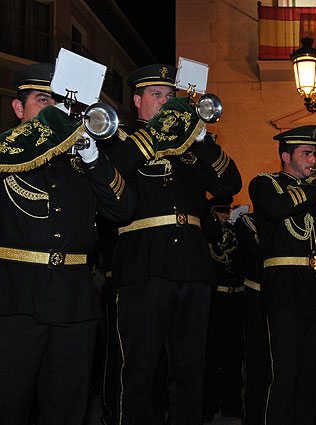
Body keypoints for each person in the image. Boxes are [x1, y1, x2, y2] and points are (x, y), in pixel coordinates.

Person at [0, 63, 135, 425]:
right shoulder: (4, 155)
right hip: (15, 297)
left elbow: (122, 210)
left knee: (67, 406)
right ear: (19, 109)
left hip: (74, 301)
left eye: (60, 102)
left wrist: (92, 155)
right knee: (8, 402)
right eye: (43, 100)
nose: (53, 110)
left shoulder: (81, 163)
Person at [107, 64, 242, 424]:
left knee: (189, 368)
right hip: (143, 263)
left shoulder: (191, 146)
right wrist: (156, 134)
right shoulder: (119, 137)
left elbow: (229, 184)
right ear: (137, 101)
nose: (166, 104)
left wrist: (200, 138)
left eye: (170, 97)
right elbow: (112, 173)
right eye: (157, 96)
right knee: (138, 366)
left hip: (193, 265)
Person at [248, 125, 316, 425]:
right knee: (285, 372)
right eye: (306, 154)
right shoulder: (265, 183)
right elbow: (276, 209)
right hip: (285, 292)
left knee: (311, 376)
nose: (312, 161)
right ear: (285, 156)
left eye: (314, 155)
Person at [202, 196, 245, 421]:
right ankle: (208, 404)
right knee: (211, 356)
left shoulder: (236, 230)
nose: (225, 216)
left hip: (235, 298)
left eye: (227, 211)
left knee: (233, 355)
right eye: (220, 211)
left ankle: (231, 403)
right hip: (215, 298)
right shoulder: (206, 232)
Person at [234, 211, 270, 425]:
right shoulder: (247, 221)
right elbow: (257, 250)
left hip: (283, 296)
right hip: (257, 296)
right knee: (257, 361)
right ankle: (254, 417)